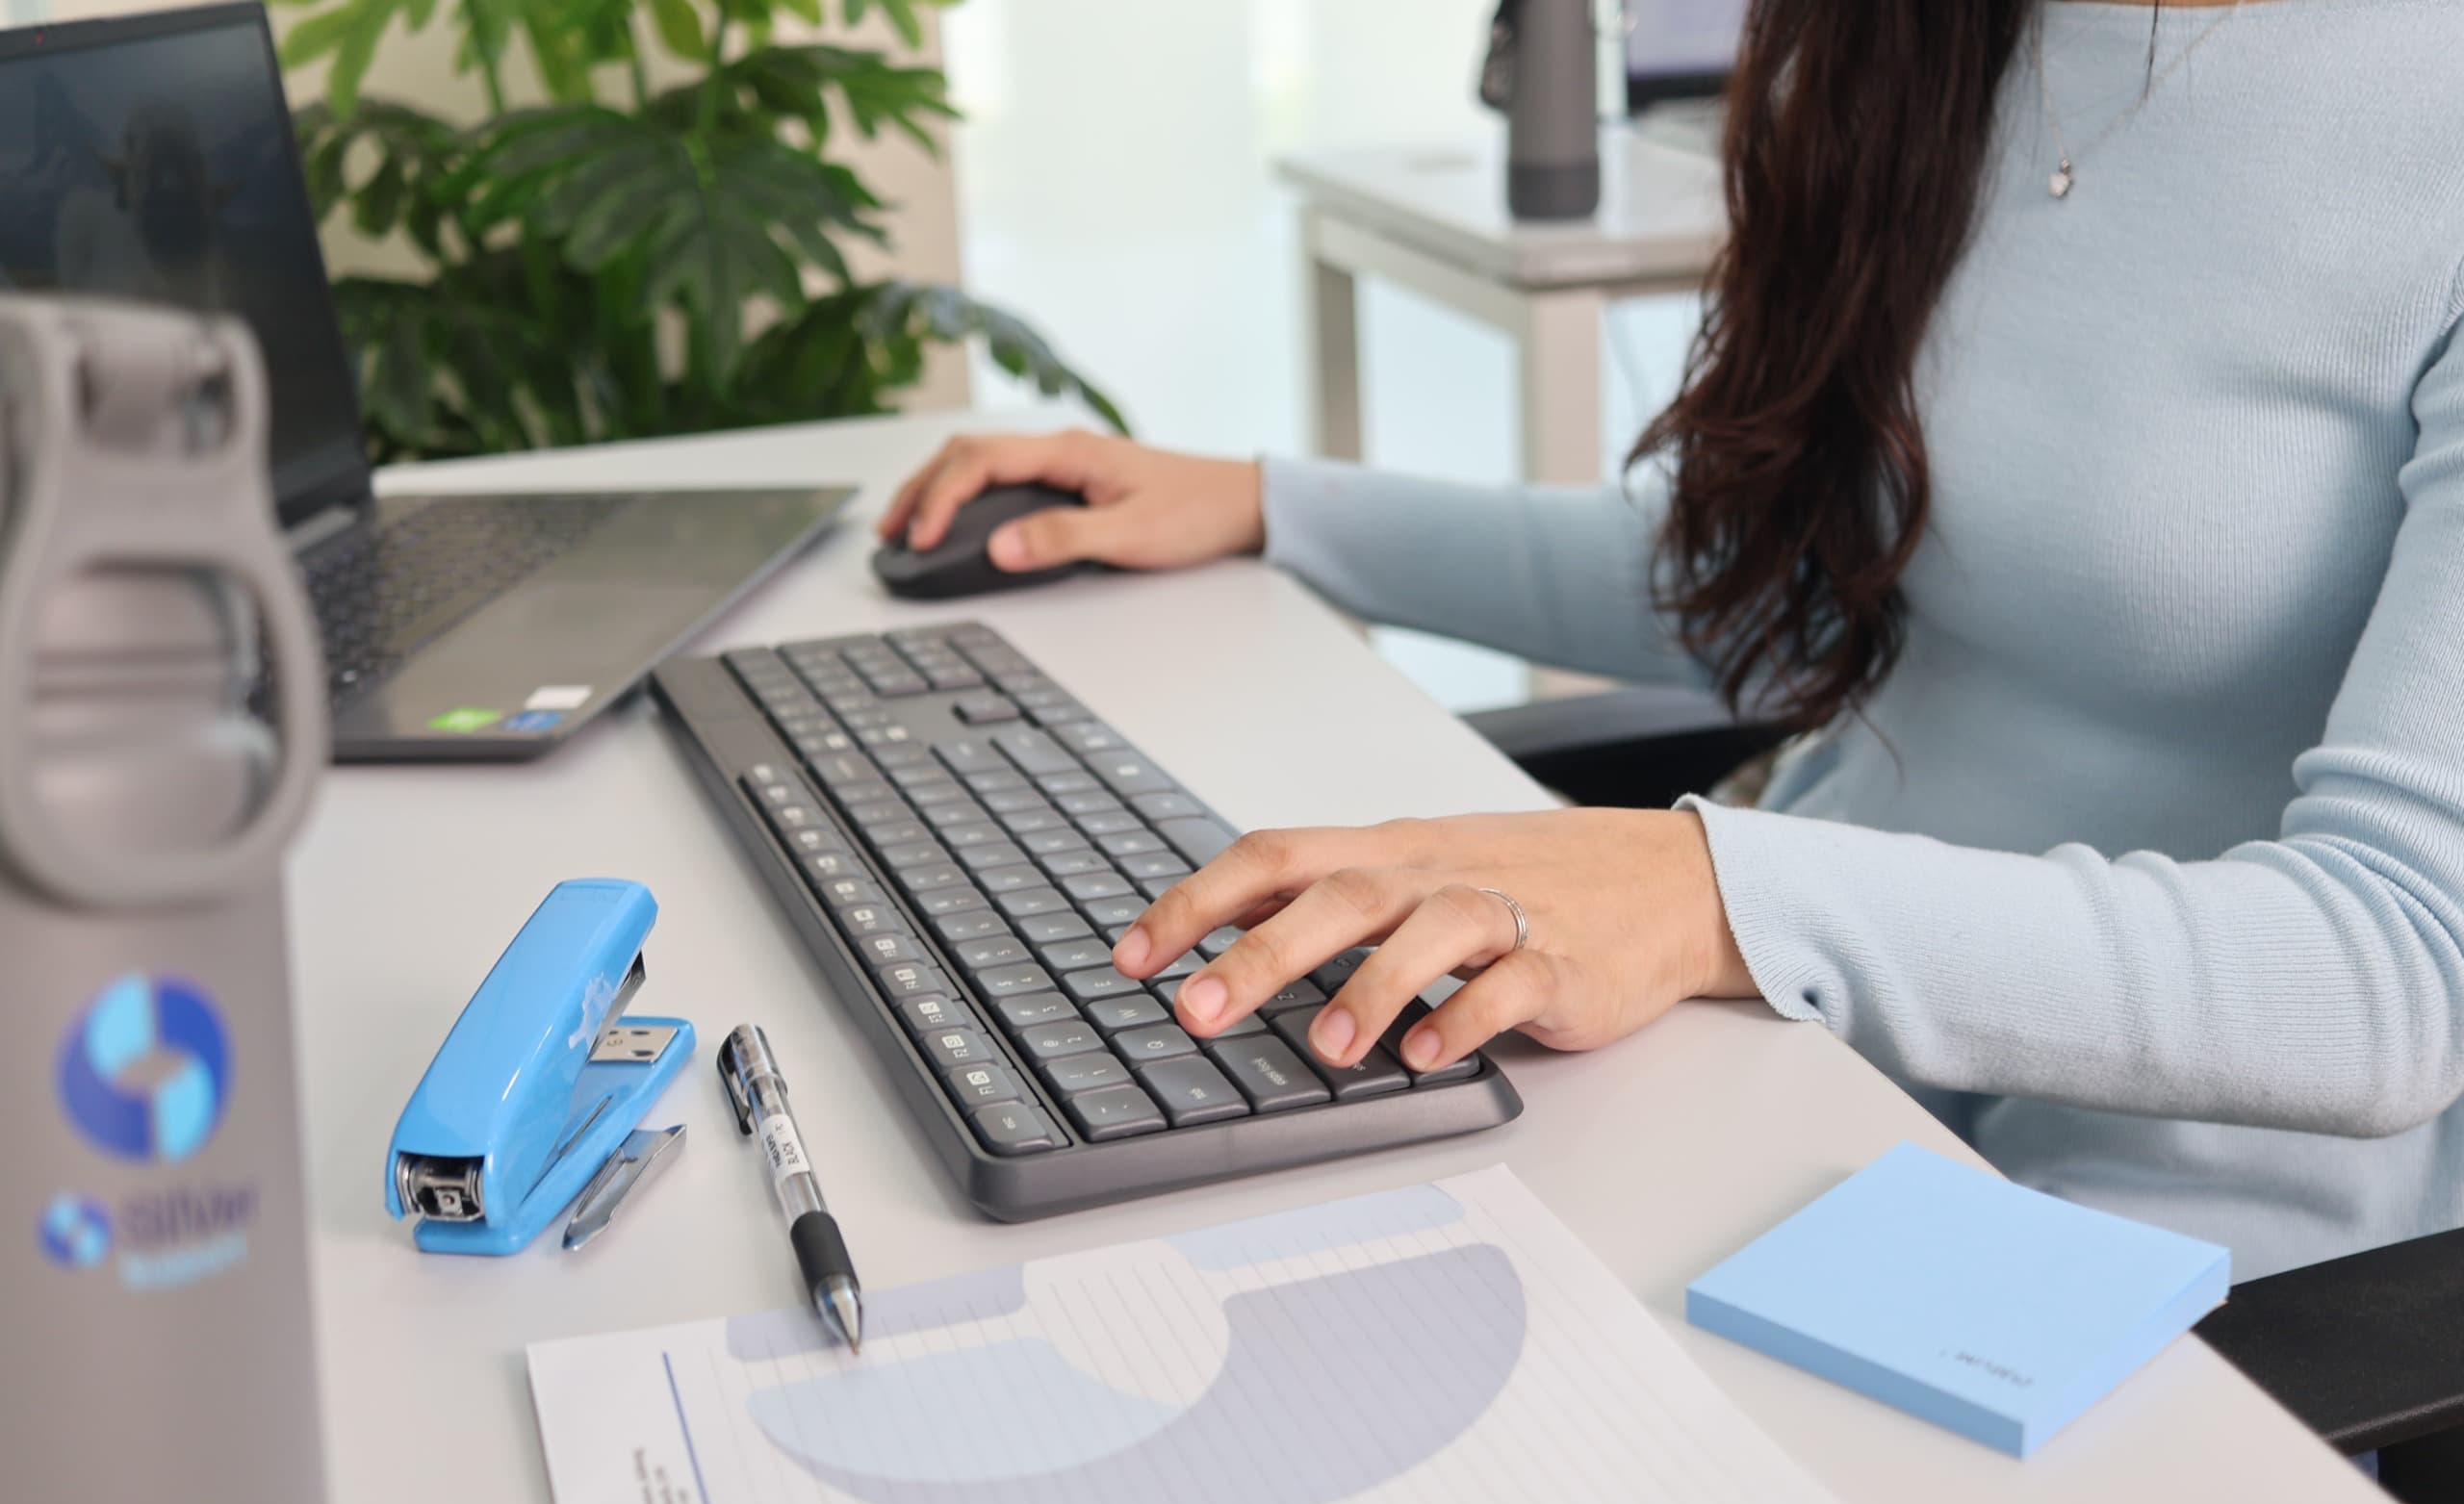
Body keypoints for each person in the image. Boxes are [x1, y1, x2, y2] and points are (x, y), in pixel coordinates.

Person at [880, 0, 2464, 1282]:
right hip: (1798, 1061)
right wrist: (1271, 507)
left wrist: (1712, 894)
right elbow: (1786, 584)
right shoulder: (1926, 40)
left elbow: (2401, 964)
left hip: (2184, 1222)